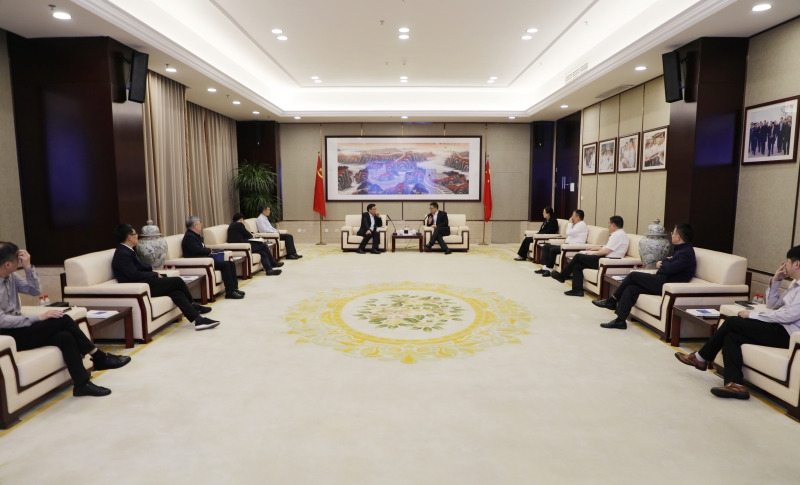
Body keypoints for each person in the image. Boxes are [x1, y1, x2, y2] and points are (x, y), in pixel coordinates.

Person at [0, 242, 130, 397]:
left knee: (65, 337)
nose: (20, 261)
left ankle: (82, 384)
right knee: (63, 320)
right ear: (8, 264)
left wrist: (28, 268)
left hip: (20, 327)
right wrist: (38, 317)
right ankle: (98, 356)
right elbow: (2, 321)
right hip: (7, 335)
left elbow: (34, 291)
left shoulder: (11, 276)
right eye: (18, 259)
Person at [675, 246, 800, 400]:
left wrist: (753, 315)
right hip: (779, 328)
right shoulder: (795, 285)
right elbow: (772, 304)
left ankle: (701, 357)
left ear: (797, 264)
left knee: (733, 322)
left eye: (787, 262)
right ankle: (735, 384)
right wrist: (776, 281)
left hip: (788, 335)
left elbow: (788, 316)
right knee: (731, 337)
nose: (785, 265)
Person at [113, 224, 220, 330]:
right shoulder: (122, 253)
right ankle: (193, 305)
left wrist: (155, 274)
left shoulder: (128, 250)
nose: (137, 236)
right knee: (177, 281)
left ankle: (198, 320)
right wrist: (155, 274)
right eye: (135, 234)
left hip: (145, 281)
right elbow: (134, 275)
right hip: (140, 285)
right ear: (129, 237)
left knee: (176, 292)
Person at [594, 223, 696, 329]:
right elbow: (670, 264)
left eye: (673, 233)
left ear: (678, 237)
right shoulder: (680, 249)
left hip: (667, 283)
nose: (671, 235)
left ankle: (612, 300)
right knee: (631, 288)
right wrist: (666, 261)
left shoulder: (686, 253)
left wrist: (665, 261)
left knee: (633, 275)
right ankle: (620, 321)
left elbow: (670, 268)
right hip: (662, 279)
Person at [550, 216, 628, 297]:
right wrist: (595, 248)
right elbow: (608, 248)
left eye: (609, 223)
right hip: (606, 260)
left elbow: (606, 251)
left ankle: (562, 276)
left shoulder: (617, 235)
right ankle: (577, 290)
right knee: (578, 266)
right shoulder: (621, 234)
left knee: (578, 256)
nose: (608, 225)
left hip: (607, 261)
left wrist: (591, 253)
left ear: (613, 225)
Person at [182, 216, 244, 300]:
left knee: (231, 263)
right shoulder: (189, 237)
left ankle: (234, 288)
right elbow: (197, 250)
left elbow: (202, 248)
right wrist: (208, 251)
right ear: (195, 226)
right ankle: (229, 291)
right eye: (200, 223)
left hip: (206, 259)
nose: (201, 225)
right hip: (200, 261)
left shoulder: (195, 235)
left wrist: (208, 251)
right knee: (225, 265)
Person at [536, 210, 588, 276]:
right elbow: (571, 235)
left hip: (571, 247)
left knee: (553, 250)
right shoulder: (577, 225)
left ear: (578, 217)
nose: (571, 218)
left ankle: (549, 269)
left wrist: (570, 223)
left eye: (573, 216)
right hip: (567, 245)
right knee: (546, 246)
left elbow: (568, 232)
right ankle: (545, 267)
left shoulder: (581, 225)